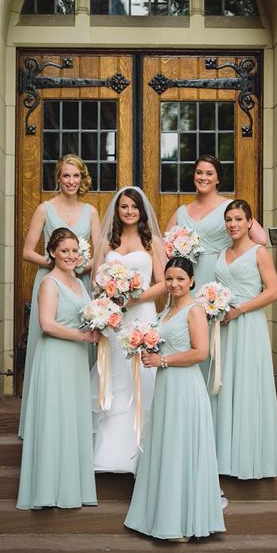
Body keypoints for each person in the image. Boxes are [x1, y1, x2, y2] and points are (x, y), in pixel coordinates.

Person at [124, 257, 227, 541]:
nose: (174, 283)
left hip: (185, 388)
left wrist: (163, 359)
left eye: (180, 278)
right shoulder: (167, 309)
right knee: (167, 446)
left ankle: (182, 523)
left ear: (192, 281)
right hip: (167, 386)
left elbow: (200, 353)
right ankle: (162, 516)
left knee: (181, 448)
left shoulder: (194, 311)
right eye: (169, 278)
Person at [164, 156, 267, 385]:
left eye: (209, 173)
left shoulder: (228, 208)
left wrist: (232, 253)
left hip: (217, 282)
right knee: (190, 335)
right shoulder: (182, 211)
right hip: (190, 279)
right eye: (199, 172)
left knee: (215, 339)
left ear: (218, 178)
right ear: (194, 177)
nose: (203, 177)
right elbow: (165, 248)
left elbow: (261, 238)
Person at [18, 154, 100, 439]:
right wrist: (56, 264)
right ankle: (41, 419)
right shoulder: (45, 208)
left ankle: (77, 418)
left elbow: (98, 253)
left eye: (76, 176)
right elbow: (28, 251)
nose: (71, 181)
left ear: (82, 179)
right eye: (66, 176)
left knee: (81, 345)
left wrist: (80, 267)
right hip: (51, 278)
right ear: (58, 178)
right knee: (49, 340)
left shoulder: (90, 211)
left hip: (80, 281)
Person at [17, 228, 99, 509]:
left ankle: (72, 488)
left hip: (75, 358)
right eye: (64, 251)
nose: (71, 256)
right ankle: (48, 490)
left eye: (75, 251)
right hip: (55, 357)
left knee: (72, 418)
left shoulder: (78, 282)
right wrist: (83, 337)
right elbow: (48, 325)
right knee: (55, 418)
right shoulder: (49, 283)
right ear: (52, 252)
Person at [90, 187, 166, 474]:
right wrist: (110, 294)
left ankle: (144, 455)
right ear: (118, 210)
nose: (129, 211)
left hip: (143, 317)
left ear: (141, 211)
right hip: (117, 322)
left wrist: (136, 296)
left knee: (144, 382)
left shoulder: (153, 243)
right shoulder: (108, 242)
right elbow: (97, 282)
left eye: (134, 207)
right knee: (117, 382)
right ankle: (111, 457)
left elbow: (162, 283)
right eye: (124, 207)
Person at [212, 200, 277, 480]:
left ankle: (250, 458)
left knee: (247, 384)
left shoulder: (259, 253)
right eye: (229, 219)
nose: (233, 224)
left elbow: (273, 291)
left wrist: (240, 309)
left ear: (249, 222)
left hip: (248, 323)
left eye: (238, 219)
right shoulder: (222, 252)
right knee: (226, 385)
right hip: (225, 326)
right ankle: (225, 458)